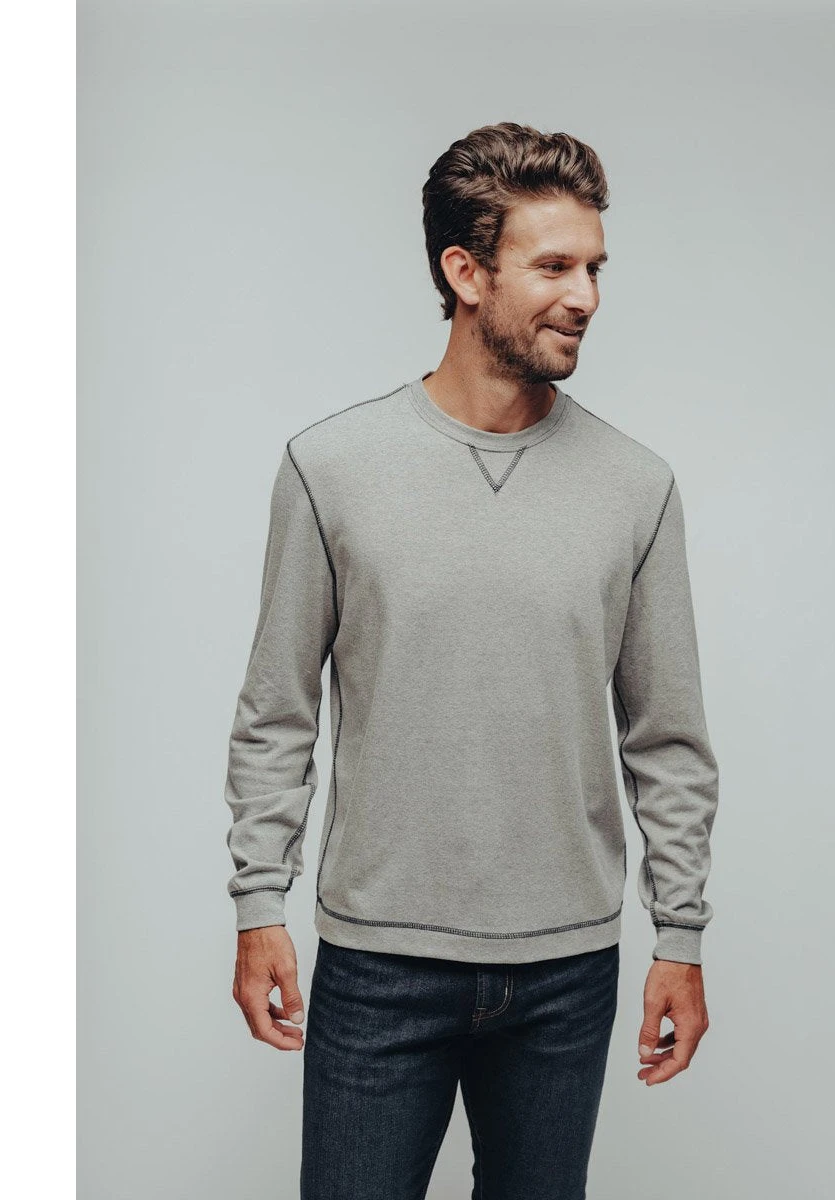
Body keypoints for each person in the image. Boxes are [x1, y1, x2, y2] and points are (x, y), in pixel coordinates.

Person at [222, 121, 720, 1200]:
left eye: (595, 268)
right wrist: (260, 905)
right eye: (555, 267)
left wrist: (679, 935)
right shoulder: (331, 468)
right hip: (379, 964)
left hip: (567, 974)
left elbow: (668, 740)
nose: (586, 296)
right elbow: (276, 713)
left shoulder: (637, 487)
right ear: (465, 273)